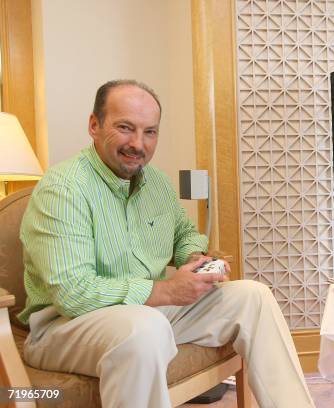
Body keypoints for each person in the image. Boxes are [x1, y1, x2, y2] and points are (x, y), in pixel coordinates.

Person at [18, 79, 315, 408]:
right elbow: (72, 294)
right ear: (94, 125)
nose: (138, 144)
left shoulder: (156, 182)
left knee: (253, 297)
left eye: (150, 132)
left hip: (149, 313)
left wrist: (196, 258)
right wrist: (167, 291)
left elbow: (184, 233)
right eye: (125, 127)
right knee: (145, 330)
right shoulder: (63, 188)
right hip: (65, 325)